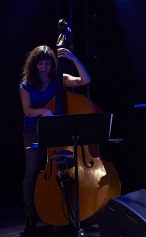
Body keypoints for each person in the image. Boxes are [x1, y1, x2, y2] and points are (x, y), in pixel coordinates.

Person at [19, 45, 91, 235]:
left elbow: (85, 79)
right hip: (33, 131)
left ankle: (67, 212)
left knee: (65, 168)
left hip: (57, 132)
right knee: (32, 171)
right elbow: (27, 111)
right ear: (34, 65)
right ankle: (30, 217)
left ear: (52, 65)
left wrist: (72, 57)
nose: (44, 68)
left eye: (47, 64)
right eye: (40, 64)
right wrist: (43, 111)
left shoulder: (59, 80)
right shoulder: (26, 85)